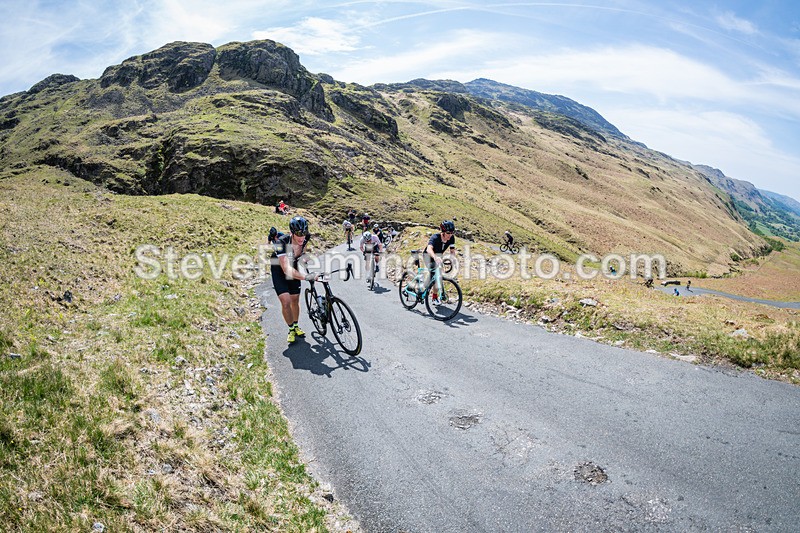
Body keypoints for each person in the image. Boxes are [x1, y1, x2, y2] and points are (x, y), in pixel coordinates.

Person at [271, 216, 320, 344]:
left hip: (293, 266)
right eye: (299, 234)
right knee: (286, 301)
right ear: (292, 233)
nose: (302, 236)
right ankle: (291, 329)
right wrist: (305, 276)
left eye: (304, 232)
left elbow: (301, 253)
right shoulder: (280, 243)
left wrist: (305, 258)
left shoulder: (305, 238)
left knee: (295, 299)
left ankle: (296, 325)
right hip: (279, 270)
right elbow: (286, 269)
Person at [426, 220, 457, 302]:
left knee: (438, 275)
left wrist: (453, 260)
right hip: (429, 256)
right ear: (443, 232)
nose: (450, 235)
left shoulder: (451, 238)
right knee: (436, 276)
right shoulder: (435, 237)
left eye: (452, 233)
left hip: (438, 257)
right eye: (448, 233)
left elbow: (452, 251)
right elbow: (429, 249)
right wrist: (435, 257)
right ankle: (434, 297)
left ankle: (434, 295)